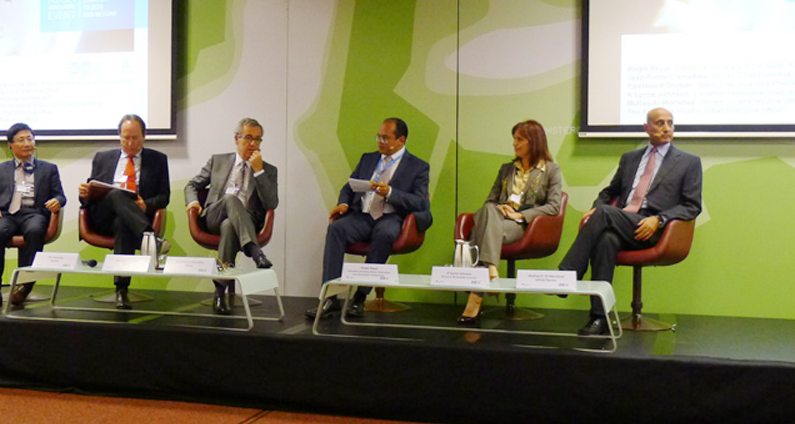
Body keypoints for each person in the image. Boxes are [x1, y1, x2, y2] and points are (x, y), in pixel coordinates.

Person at [558, 107, 702, 335]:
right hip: (624, 221)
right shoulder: (630, 158)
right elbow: (610, 192)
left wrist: (660, 219)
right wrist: (596, 207)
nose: (667, 128)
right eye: (660, 123)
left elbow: (692, 206)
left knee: (604, 214)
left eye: (670, 123)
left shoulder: (688, 162)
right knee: (606, 239)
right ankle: (599, 318)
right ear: (647, 128)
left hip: (656, 229)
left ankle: (567, 276)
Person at [306, 117, 432, 320]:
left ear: (401, 140)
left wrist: (390, 192)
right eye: (378, 137)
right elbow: (348, 187)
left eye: (385, 138)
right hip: (363, 215)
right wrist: (344, 204)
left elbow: (419, 202)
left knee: (384, 233)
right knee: (337, 229)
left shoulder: (418, 167)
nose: (380, 142)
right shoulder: (368, 159)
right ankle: (330, 298)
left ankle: (360, 297)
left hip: (391, 217)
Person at [456, 120, 563, 325]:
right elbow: (490, 201)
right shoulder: (506, 169)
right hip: (498, 218)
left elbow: (554, 206)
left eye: (519, 139)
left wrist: (521, 216)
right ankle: (491, 268)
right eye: (514, 139)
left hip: (523, 226)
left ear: (534, 142)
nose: (514, 143)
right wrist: (501, 208)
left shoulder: (551, 170)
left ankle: (476, 295)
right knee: (488, 210)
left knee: (483, 229)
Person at [184, 118, 279, 315]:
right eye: (248, 138)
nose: (253, 144)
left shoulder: (268, 170)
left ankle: (219, 293)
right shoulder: (217, 161)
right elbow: (192, 185)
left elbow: (271, 203)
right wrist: (193, 202)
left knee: (229, 226)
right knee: (230, 199)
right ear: (237, 138)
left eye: (257, 139)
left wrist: (259, 171)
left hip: (246, 221)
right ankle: (255, 251)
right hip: (214, 216)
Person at [79, 115, 171, 310]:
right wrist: (84, 194)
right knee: (115, 194)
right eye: (125, 138)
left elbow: (164, 196)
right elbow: (90, 195)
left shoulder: (157, 160)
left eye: (135, 138)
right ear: (119, 136)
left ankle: (121, 289)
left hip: (132, 217)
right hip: (103, 216)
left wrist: (145, 205)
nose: (130, 143)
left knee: (123, 223)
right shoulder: (102, 158)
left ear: (144, 136)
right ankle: (150, 238)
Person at [0, 123, 66, 309]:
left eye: (30, 139)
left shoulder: (49, 168)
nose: (27, 143)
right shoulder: (0, 169)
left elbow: (60, 195)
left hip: (34, 213)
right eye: (21, 140)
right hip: (7, 215)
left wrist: (57, 201)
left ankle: (25, 286)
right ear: (10, 145)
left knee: (35, 230)